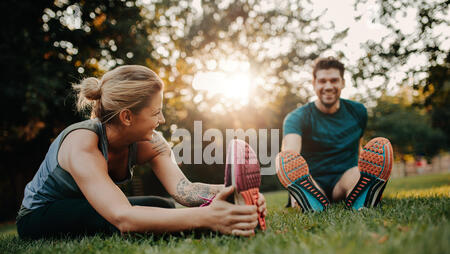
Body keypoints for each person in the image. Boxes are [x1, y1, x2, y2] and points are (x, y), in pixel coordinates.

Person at [16, 65, 266, 239]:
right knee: (117, 222)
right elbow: (124, 217)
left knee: (163, 207)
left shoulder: (151, 142)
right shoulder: (82, 143)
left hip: (87, 206)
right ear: (127, 116)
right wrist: (208, 218)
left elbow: (185, 191)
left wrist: (234, 194)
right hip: (42, 213)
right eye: (156, 112)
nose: (163, 118)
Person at [276, 57, 393, 211]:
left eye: (334, 80)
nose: (328, 86)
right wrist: (291, 181)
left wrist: (367, 167)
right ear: (314, 84)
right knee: (304, 180)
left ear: (343, 82)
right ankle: (304, 196)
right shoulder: (297, 117)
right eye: (322, 81)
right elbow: (290, 155)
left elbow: (358, 147)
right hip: (313, 180)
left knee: (357, 175)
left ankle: (364, 194)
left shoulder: (358, 111)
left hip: (345, 178)